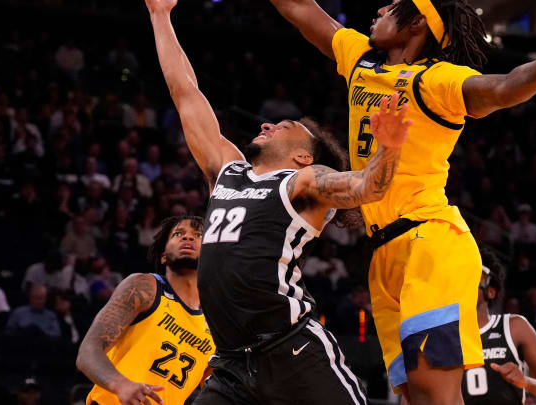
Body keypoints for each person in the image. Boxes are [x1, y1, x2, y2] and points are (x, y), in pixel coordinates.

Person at [268, 0, 536, 402]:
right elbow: (301, 10)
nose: (379, 8)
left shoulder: (436, 80)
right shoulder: (361, 57)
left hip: (429, 242)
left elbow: (502, 88)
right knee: (415, 397)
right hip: (383, 254)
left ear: (417, 22)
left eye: (393, 6)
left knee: (436, 397)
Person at [145, 0, 411, 404]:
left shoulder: (303, 183)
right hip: (232, 364)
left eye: (284, 126)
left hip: (292, 353)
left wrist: (389, 150)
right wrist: (160, 15)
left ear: (304, 155)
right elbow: (185, 93)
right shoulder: (227, 172)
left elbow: (366, 188)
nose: (267, 124)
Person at [77, 215, 213, 405]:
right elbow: (88, 353)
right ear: (164, 255)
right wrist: (121, 384)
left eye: (198, 235)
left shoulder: (216, 321)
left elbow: (214, 387)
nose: (188, 238)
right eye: (178, 234)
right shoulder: (145, 287)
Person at [460, 248, 536, 405]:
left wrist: (526, 382)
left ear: (491, 291)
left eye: (474, 276)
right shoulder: (443, 336)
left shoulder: (513, 327)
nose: (466, 282)